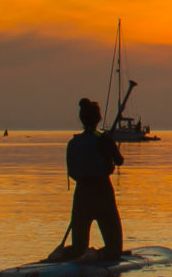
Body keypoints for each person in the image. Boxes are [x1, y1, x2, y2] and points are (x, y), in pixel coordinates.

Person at [53, 96, 125, 261]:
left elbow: (72, 173)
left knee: (78, 247)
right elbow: (120, 161)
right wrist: (110, 146)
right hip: (102, 194)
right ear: (98, 119)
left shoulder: (74, 142)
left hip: (82, 195)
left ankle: (71, 254)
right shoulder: (104, 140)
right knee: (115, 248)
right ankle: (94, 255)